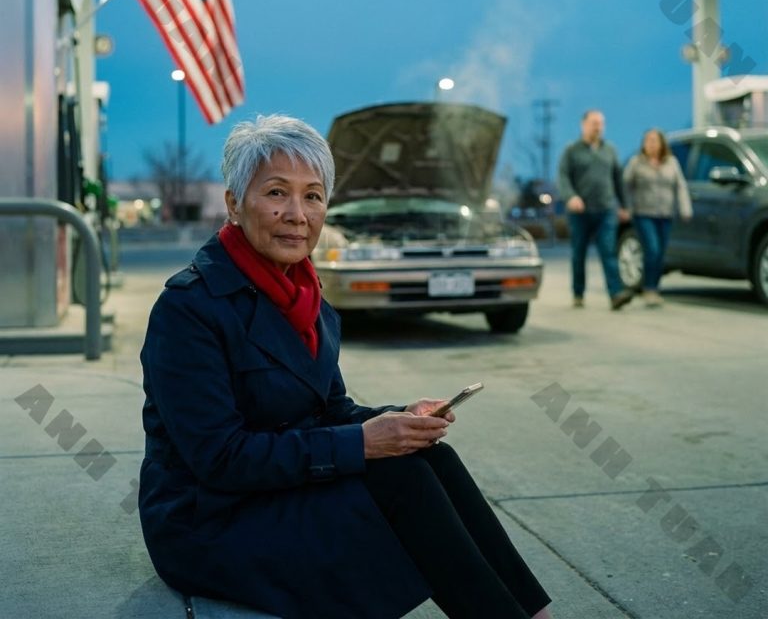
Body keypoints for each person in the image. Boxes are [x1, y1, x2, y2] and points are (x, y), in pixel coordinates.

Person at [138, 114, 553, 619]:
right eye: (276, 193)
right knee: (401, 482)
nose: (297, 214)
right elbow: (220, 460)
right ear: (233, 204)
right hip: (210, 522)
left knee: (429, 459)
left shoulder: (308, 300)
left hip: (279, 492)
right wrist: (363, 443)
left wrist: (399, 420)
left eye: (313, 196)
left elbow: (330, 410)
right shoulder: (189, 307)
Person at [557, 109, 634, 310]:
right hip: (580, 212)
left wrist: (625, 205)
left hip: (606, 209)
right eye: (594, 123)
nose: (597, 127)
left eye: (601, 123)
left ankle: (616, 294)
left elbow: (618, 179)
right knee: (579, 253)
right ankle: (578, 293)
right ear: (583, 125)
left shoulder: (610, 150)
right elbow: (563, 177)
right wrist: (571, 196)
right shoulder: (572, 150)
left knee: (608, 251)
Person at [623, 128, 692, 306]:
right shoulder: (636, 163)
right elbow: (625, 186)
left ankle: (655, 287)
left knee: (660, 253)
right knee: (652, 249)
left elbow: (681, 186)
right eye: (648, 140)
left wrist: (685, 208)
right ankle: (649, 288)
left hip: (665, 213)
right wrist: (627, 208)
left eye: (655, 140)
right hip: (643, 213)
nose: (652, 144)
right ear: (644, 144)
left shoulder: (671, 162)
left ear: (662, 143)